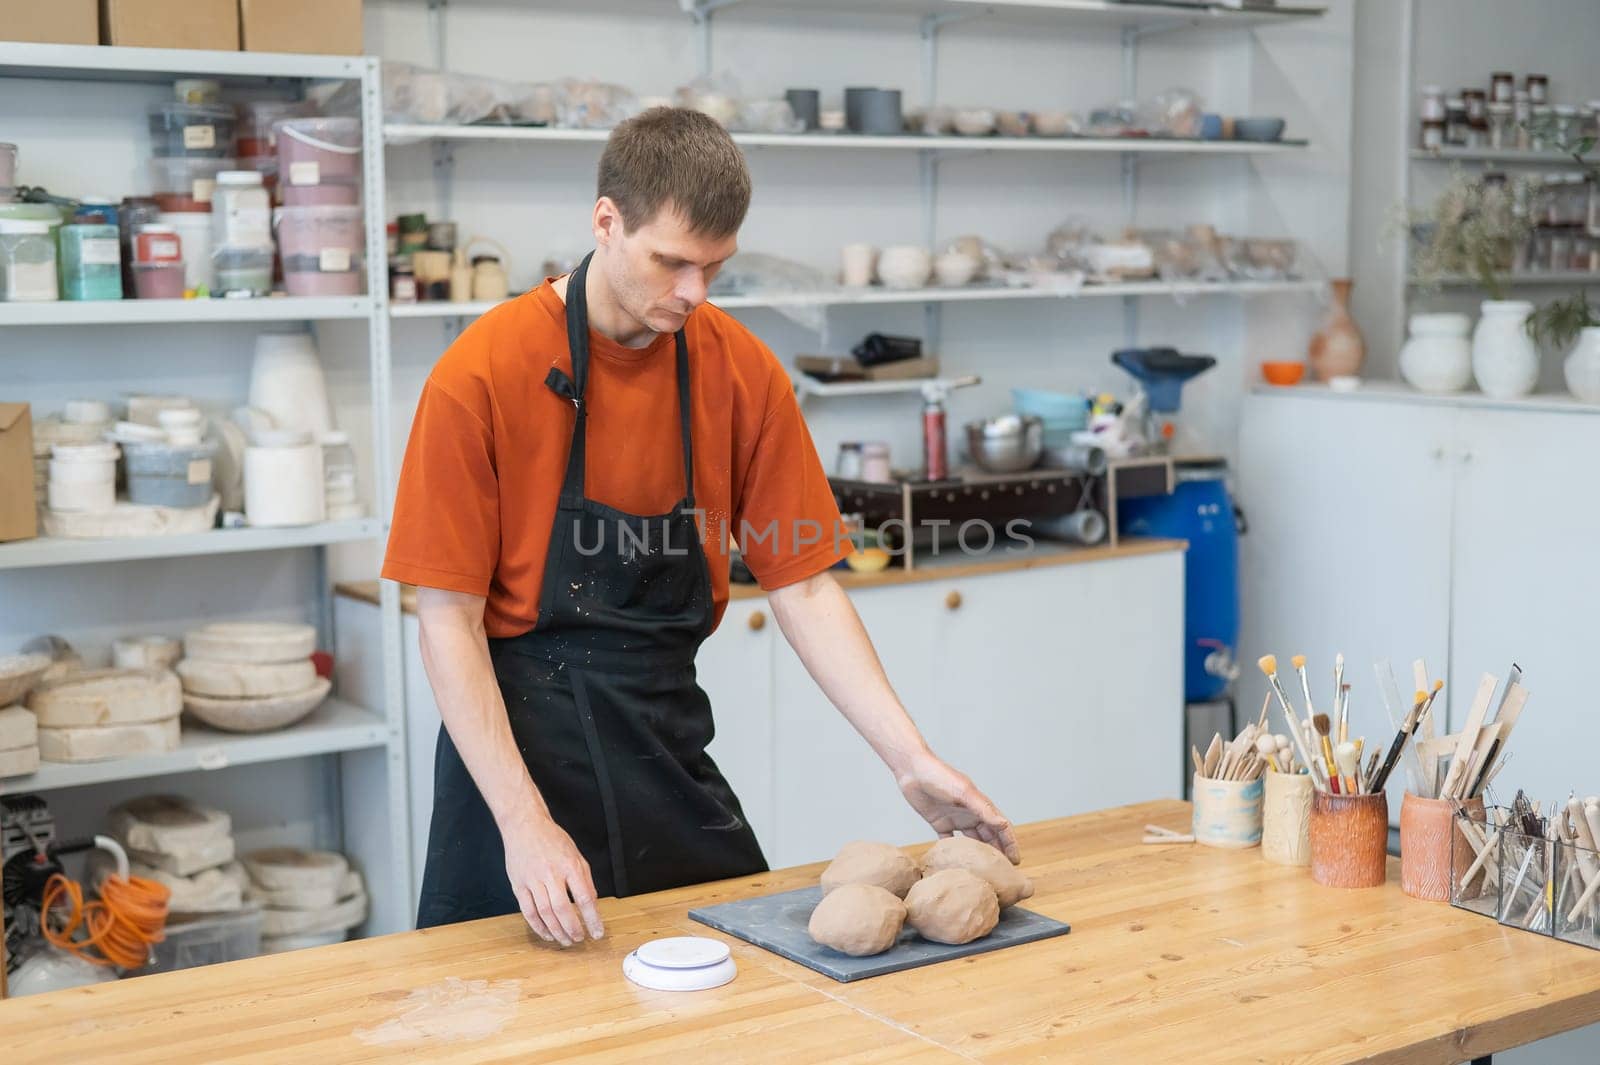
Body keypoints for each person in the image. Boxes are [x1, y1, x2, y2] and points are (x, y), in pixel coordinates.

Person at [382, 107, 1019, 946]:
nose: (694, 292)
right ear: (606, 222)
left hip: (664, 748)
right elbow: (447, 622)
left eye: (715, 266)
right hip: (512, 760)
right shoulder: (480, 374)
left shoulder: (739, 369)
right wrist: (525, 825)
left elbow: (805, 584)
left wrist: (911, 758)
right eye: (672, 262)